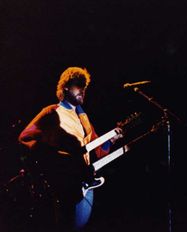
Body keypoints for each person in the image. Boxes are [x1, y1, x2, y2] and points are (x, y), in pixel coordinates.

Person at [18, 67, 122, 231]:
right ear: (65, 87)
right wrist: (58, 158)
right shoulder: (52, 112)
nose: (82, 90)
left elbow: (99, 150)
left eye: (85, 87)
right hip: (63, 185)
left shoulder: (83, 117)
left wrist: (111, 140)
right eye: (78, 84)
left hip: (85, 185)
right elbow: (25, 138)